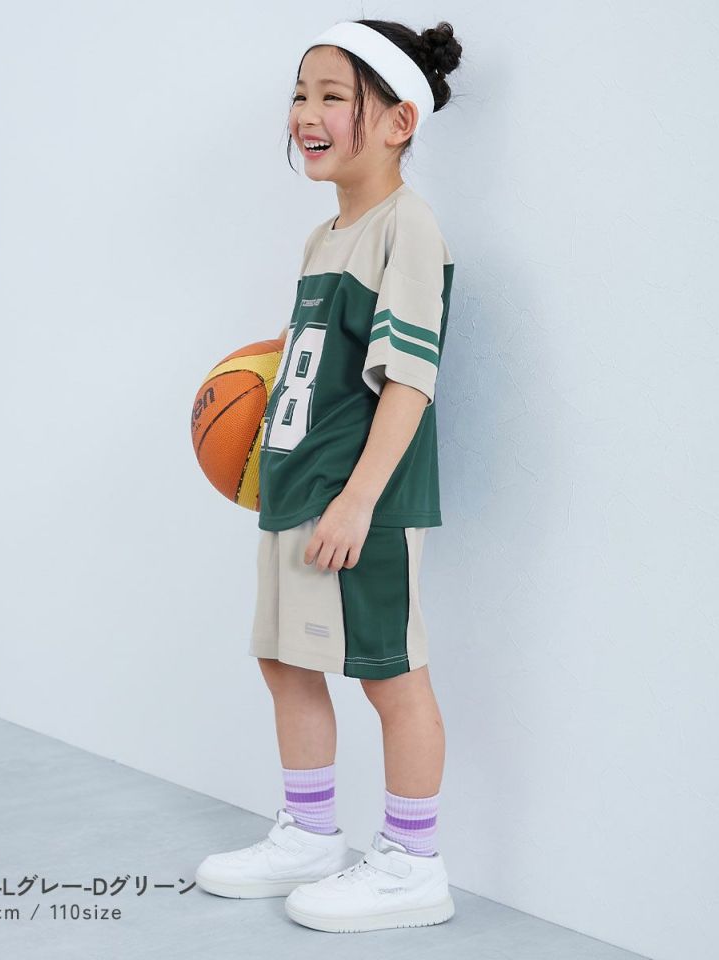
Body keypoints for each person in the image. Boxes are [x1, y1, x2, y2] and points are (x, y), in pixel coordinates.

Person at [196, 18, 463, 933]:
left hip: (361, 503)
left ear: (398, 121)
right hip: (296, 492)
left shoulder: (408, 228)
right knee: (284, 660)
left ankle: (413, 865)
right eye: (300, 95)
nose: (306, 114)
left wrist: (357, 500)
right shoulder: (324, 236)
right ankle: (310, 837)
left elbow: (410, 379)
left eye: (333, 97)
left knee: (391, 674)